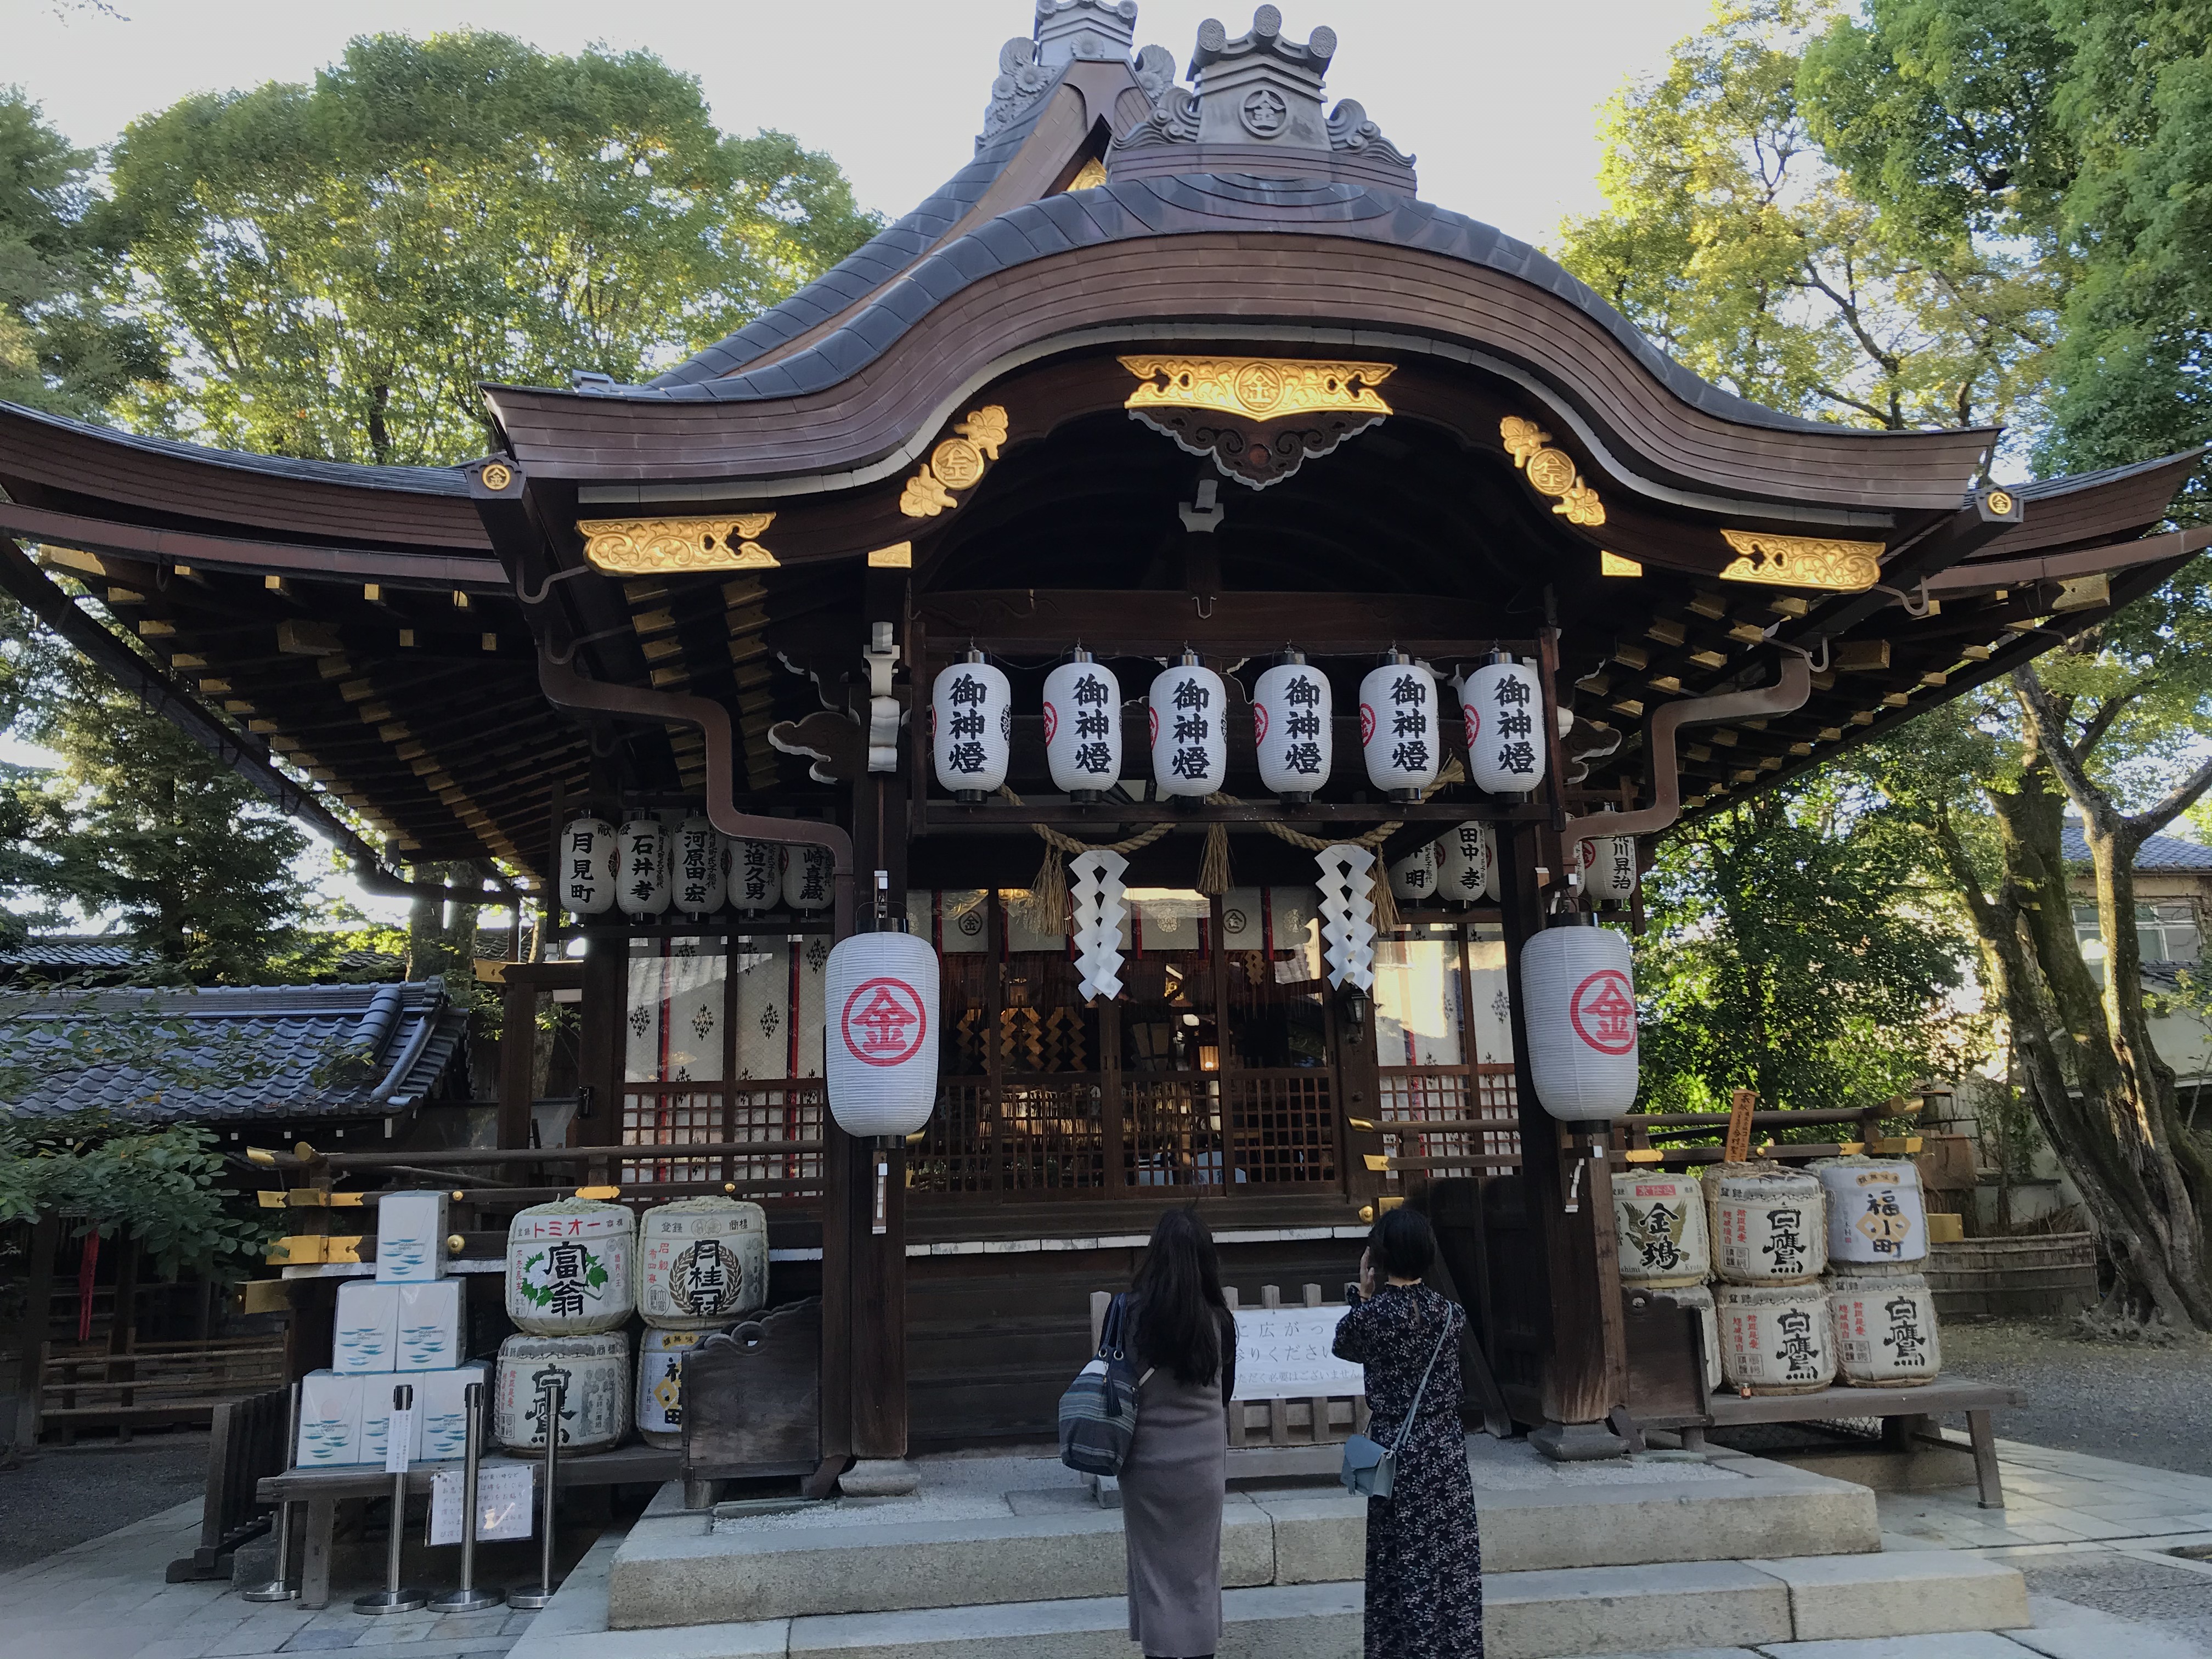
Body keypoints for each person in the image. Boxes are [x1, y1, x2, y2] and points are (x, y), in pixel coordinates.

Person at [1331, 1206, 1483, 1659]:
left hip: (1394, 1449)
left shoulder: (1371, 1317)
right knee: (1450, 1556)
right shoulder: (1450, 1314)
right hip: (1445, 1446)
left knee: (1397, 1557)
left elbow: (1343, 1344)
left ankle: (1399, 1648)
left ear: (1379, 1257)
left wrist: (1363, 1293)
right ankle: (1453, 1646)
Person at [1118, 1205, 1237, 1659]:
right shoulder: (1220, 1321)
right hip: (1203, 1466)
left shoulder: (1130, 1314)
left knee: (1154, 1576)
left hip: (1145, 1463)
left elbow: (1115, 1382)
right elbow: (1226, 1392)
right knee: (1200, 1574)